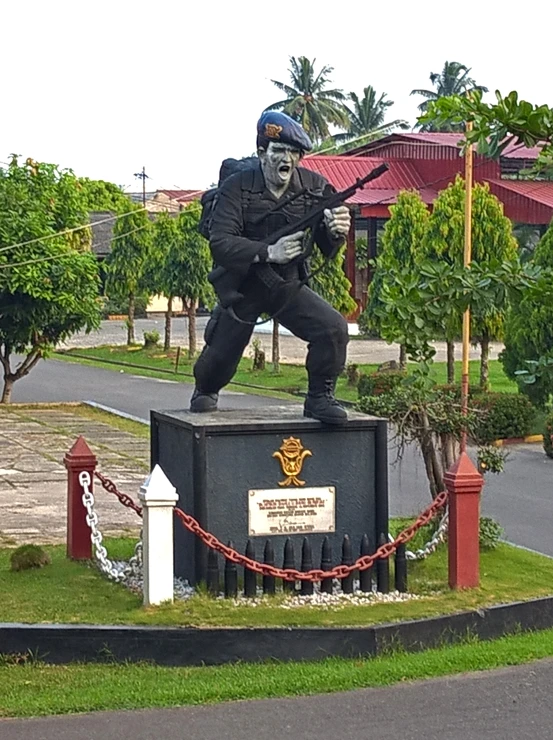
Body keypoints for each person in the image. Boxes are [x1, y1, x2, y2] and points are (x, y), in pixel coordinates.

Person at [190, 111, 352, 425]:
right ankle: (205, 388)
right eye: (279, 152)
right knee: (220, 360)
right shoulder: (238, 187)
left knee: (332, 329)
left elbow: (326, 246)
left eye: (294, 154)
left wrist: (336, 232)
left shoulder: (315, 187)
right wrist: (268, 252)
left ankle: (320, 397)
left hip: (286, 285)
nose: (287, 161)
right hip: (243, 286)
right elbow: (220, 243)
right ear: (262, 153)